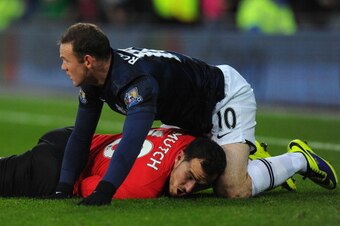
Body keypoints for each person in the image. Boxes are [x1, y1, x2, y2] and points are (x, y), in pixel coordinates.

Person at [54, 22, 337, 206]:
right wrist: (63, 188)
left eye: (66, 60)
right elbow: (81, 135)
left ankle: (298, 159)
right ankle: (249, 156)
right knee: (178, 176)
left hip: (222, 97)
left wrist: (105, 191)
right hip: (187, 114)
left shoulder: (136, 83)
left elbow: (132, 141)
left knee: (231, 189)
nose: (64, 67)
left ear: (88, 61)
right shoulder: (96, 80)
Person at [0, 127, 226, 199]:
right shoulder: (143, 185)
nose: (187, 189)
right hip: (55, 169)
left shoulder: (187, 137)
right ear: (179, 157)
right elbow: (88, 187)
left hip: (72, 135)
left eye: (199, 186)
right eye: (190, 177)